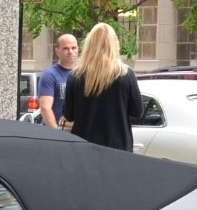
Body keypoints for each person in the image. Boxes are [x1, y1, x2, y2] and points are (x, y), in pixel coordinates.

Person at [61, 22, 144, 152]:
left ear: (89, 45)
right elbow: (137, 111)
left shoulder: (75, 76)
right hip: (119, 148)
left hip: (84, 147)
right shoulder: (127, 75)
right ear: (114, 45)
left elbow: (69, 115)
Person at [37, 32, 78, 129]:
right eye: (65, 48)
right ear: (57, 51)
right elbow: (45, 108)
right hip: (58, 130)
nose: (70, 51)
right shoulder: (49, 75)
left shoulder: (81, 74)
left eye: (73, 48)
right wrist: (57, 134)